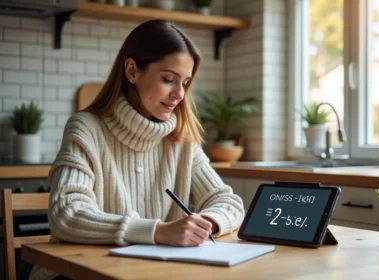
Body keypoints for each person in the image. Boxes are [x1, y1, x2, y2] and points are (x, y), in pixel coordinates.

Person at [29, 19, 245, 280]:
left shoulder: (182, 139)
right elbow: (67, 213)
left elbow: (228, 202)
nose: (179, 94)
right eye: (169, 79)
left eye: (185, 83)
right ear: (132, 71)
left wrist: (205, 223)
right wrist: (157, 231)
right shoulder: (85, 128)